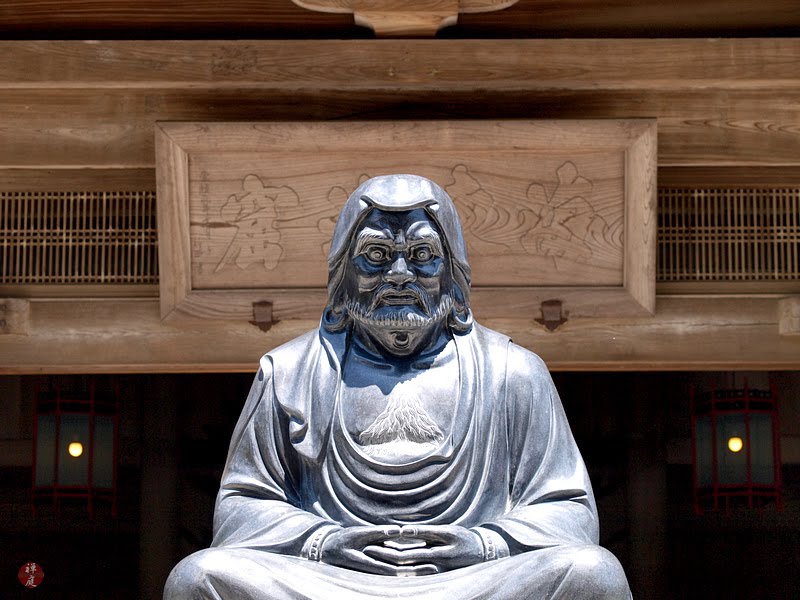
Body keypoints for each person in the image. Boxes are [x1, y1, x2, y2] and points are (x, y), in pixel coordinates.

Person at [164, 174, 632, 599]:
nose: (401, 275)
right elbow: (240, 505)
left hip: (470, 582)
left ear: (453, 270)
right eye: (376, 256)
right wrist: (321, 541)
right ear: (343, 270)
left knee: (592, 573)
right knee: (199, 577)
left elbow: (568, 507)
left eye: (424, 256)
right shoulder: (289, 370)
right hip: (333, 582)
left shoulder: (512, 372)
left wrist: (485, 544)